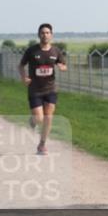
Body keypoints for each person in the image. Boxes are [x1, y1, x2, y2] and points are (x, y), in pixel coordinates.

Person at [19, 23, 68, 155]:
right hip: (35, 89)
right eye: (42, 33)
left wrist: (62, 67)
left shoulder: (56, 51)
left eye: (47, 33)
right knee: (39, 118)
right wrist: (24, 77)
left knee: (48, 117)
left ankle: (42, 145)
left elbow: (63, 64)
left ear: (51, 35)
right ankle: (33, 120)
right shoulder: (32, 51)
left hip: (50, 89)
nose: (45, 35)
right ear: (39, 35)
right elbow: (21, 66)